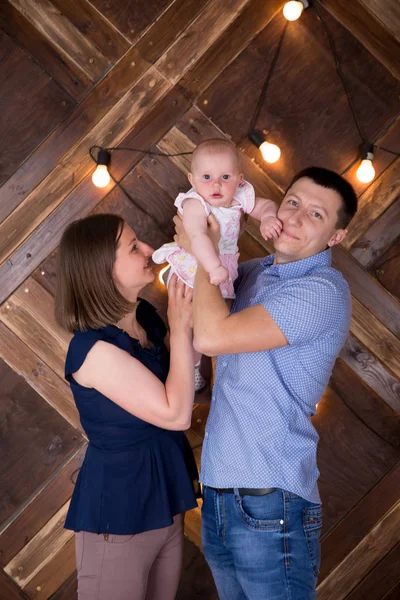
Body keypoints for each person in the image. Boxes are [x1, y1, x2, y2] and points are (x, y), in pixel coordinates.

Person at [174, 166, 358, 599]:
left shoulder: (322, 289)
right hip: (219, 495)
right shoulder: (252, 274)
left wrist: (204, 251)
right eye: (292, 202)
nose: (294, 218)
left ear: (336, 237)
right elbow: (208, 356)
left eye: (316, 215)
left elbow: (214, 336)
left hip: (270, 501)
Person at [55, 213, 198, 600]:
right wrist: (182, 324)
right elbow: (176, 413)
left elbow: (189, 378)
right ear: (102, 270)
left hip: (166, 505)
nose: (149, 250)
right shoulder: (91, 350)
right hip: (118, 517)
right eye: (134, 247)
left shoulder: (147, 319)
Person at [153, 138, 281, 390]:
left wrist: (268, 217)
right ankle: (187, 371)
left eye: (225, 177)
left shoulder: (241, 196)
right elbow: (198, 237)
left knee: (221, 316)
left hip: (222, 268)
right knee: (192, 322)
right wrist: (212, 267)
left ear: (240, 179)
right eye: (207, 177)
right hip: (192, 266)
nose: (216, 185)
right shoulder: (194, 203)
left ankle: (195, 366)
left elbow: (265, 205)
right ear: (192, 179)